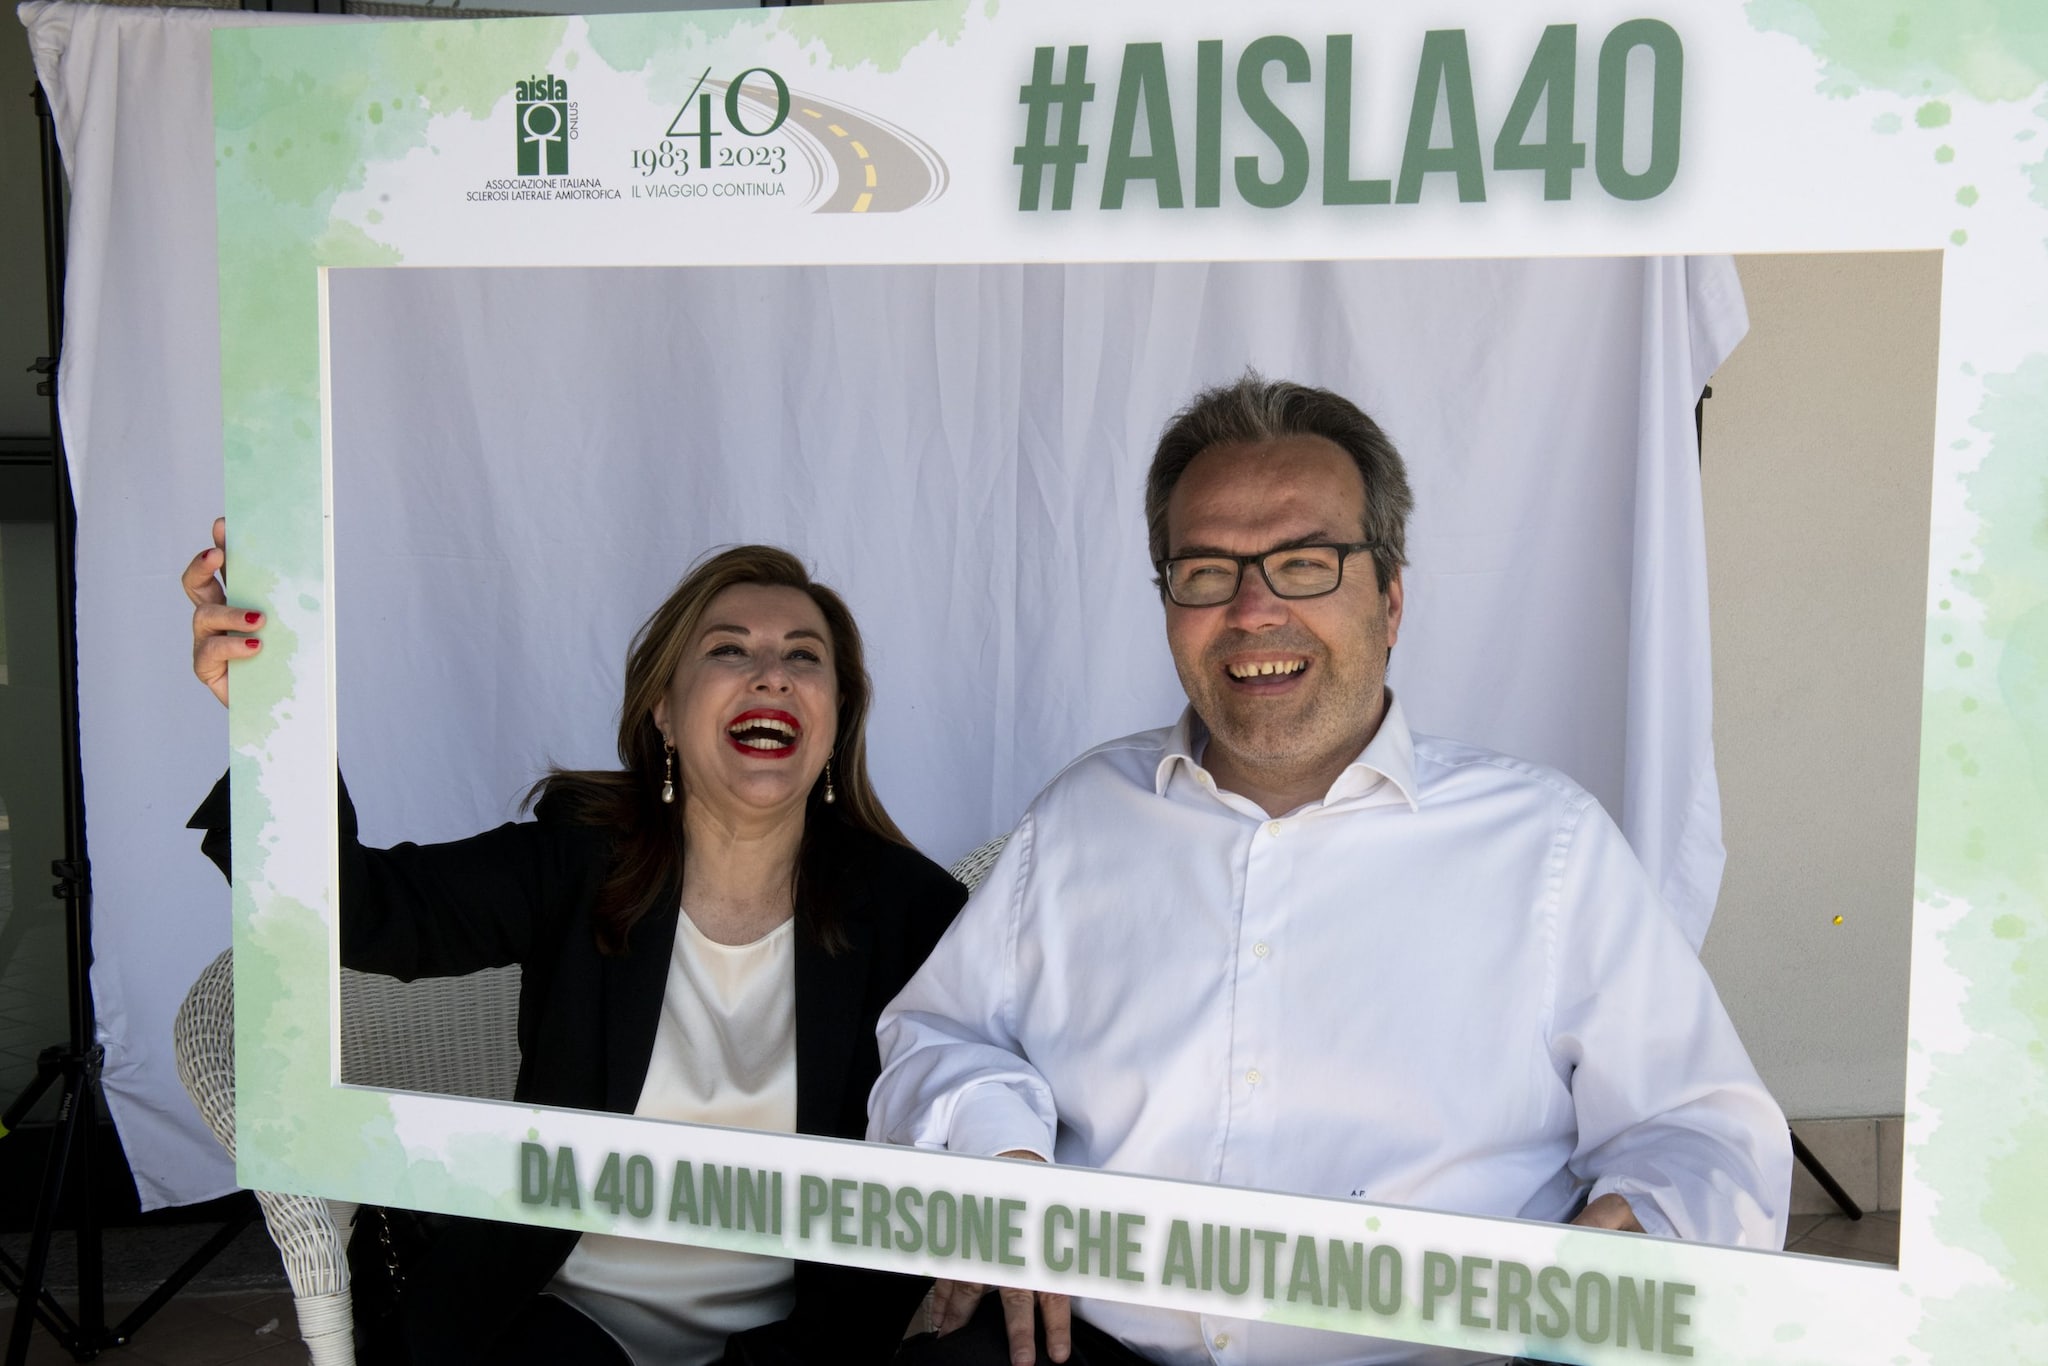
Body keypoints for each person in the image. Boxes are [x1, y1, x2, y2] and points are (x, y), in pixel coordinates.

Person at [871, 376, 1792, 1366]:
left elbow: (1700, 1125)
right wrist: (1001, 1154)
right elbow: (938, 1038)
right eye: (1205, 572)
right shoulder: (1080, 819)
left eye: (1304, 564)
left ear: (1389, 598)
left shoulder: (1546, 845)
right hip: (1098, 1350)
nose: (1252, 610)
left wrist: (1646, 1222)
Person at [185, 525, 967, 1365]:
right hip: (556, 1321)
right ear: (664, 710)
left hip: (794, 1345)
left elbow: (984, 1106)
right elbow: (360, 913)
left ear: (837, 715)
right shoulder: (577, 859)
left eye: (804, 657)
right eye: (729, 650)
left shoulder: (910, 910)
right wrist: (278, 716)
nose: (771, 672)